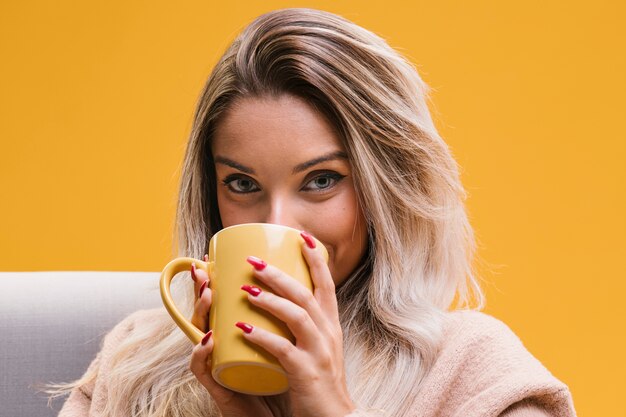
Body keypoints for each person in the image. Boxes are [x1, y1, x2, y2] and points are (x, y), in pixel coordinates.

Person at [56, 8, 576, 417]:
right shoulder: (134, 367)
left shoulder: (474, 373)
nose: (278, 222)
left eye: (321, 181)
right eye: (242, 184)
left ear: (386, 189)